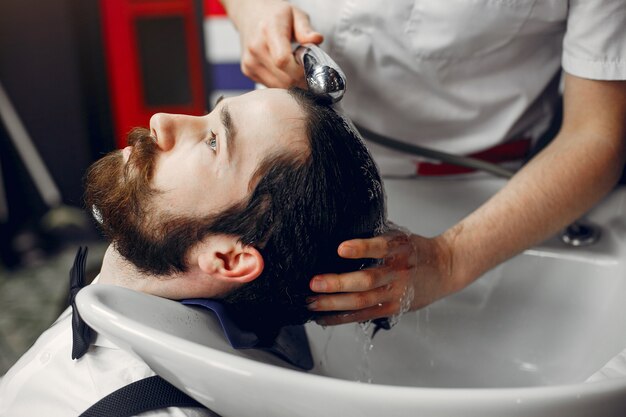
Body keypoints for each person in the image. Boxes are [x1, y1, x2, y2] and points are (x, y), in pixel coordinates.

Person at [220, 0, 626, 325]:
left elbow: (595, 135)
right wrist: (253, 9)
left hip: (482, 203)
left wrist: (450, 260)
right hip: (276, 185)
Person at [0, 87, 387, 416]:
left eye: (214, 141)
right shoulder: (127, 284)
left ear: (229, 259)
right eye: (209, 115)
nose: (162, 120)